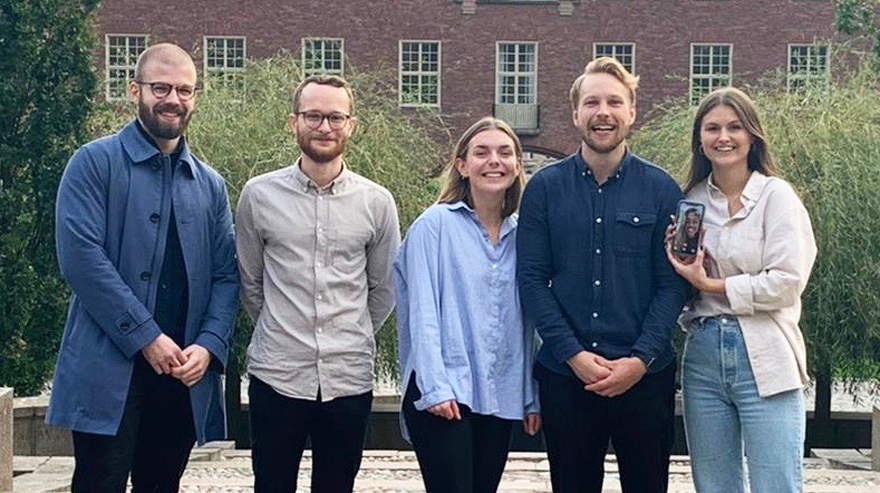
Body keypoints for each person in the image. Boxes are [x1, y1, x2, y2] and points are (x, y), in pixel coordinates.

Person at [48, 43, 240, 492]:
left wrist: (210, 345)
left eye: (184, 90)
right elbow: (82, 261)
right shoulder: (93, 163)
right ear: (135, 90)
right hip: (105, 370)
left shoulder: (211, 186)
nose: (172, 99)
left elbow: (227, 276)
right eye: (160, 87)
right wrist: (146, 337)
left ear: (195, 97)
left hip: (180, 376)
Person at [517, 57, 689, 493]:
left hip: (645, 377)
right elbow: (532, 280)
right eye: (591, 102)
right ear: (575, 113)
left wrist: (639, 359)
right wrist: (573, 355)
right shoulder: (543, 189)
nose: (603, 112)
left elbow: (673, 284)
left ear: (632, 111)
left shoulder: (662, 189)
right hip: (566, 376)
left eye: (614, 102)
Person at [235, 74, 401, 493]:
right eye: (313, 116)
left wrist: (350, 332)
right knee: (271, 485)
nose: (324, 126)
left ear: (351, 124)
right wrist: (282, 326)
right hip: (278, 373)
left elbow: (383, 289)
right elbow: (250, 281)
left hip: (348, 376)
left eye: (334, 117)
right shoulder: (258, 196)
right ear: (294, 122)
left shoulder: (376, 202)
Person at [666, 87, 817, 493]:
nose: (723, 137)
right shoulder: (690, 203)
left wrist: (711, 283)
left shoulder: (777, 197)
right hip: (703, 355)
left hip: (767, 353)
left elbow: (787, 283)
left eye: (735, 127)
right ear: (700, 138)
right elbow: (681, 293)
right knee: (714, 485)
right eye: (712, 128)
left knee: (777, 483)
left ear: (753, 135)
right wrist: (680, 267)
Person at [395, 117, 541, 493]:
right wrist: (435, 387)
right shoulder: (434, 226)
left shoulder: (523, 235)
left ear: (517, 165)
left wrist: (529, 395)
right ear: (462, 165)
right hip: (444, 391)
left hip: (499, 392)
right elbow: (422, 313)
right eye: (482, 152)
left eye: (504, 152)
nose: (494, 160)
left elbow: (525, 324)